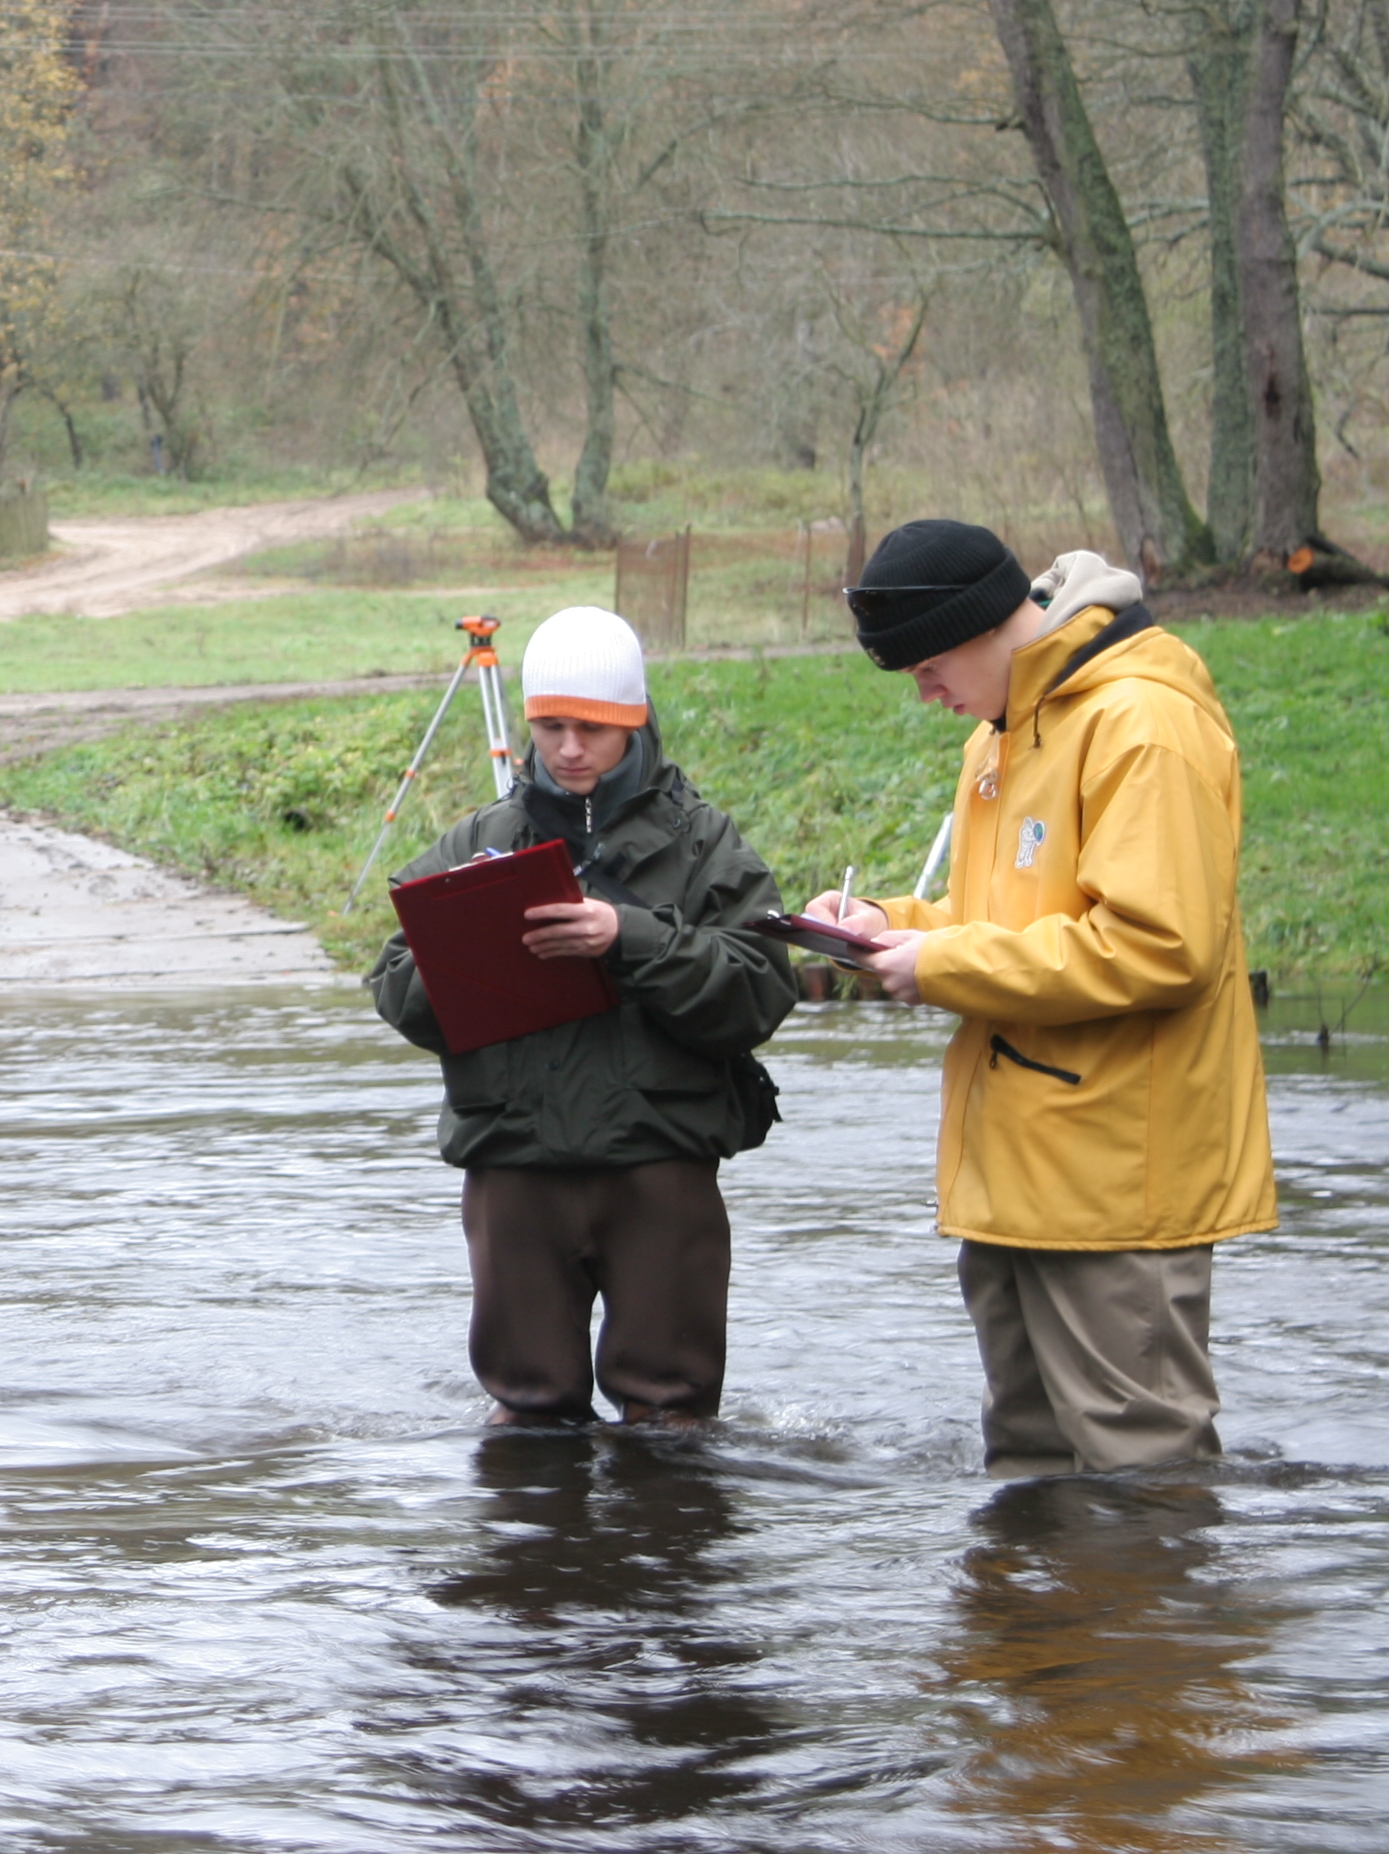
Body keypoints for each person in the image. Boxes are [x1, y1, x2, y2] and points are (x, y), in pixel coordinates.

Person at [814, 525, 1274, 1478]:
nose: (925, 693)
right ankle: (1030, 1637)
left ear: (988, 629)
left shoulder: (1140, 724)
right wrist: (886, 925)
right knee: (1027, 1466)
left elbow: (1159, 946)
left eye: (930, 667)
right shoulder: (1002, 732)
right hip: (1016, 1179)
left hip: (1116, 1188)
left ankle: (1149, 1636)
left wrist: (940, 961)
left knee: (1141, 1472)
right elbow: (1003, 921)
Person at [369, 606, 797, 1429]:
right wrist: (475, 953)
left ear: (634, 724)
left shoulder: (704, 843)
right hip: (515, 1166)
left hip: (659, 1162)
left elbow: (759, 990)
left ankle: (660, 1556)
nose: (569, 749)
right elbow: (396, 989)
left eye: (593, 729)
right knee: (527, 1417)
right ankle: (536, 1561)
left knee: (673, 1420)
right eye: (552, 727)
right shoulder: (478, 842)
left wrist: (627, 936)